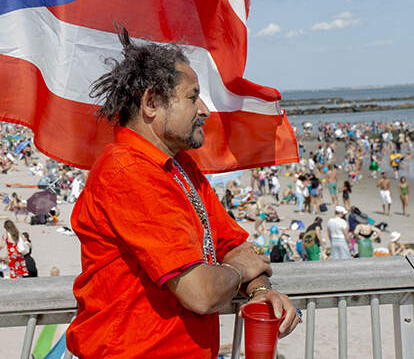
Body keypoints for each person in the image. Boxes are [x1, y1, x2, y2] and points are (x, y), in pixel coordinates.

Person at [67, 28, 298, 358]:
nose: (204, 110)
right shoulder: (128, 172)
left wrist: (259, 290)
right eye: (192, 97)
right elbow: (200, 293)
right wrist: (238, 272)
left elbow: (234, 246)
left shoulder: (181, 166)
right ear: (152, 103)